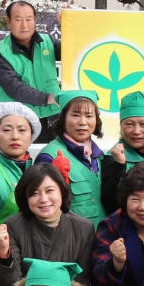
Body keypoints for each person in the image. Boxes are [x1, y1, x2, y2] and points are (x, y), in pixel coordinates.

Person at [0, 161, 96, 286]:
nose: (43, 199)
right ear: (25, 197)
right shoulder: (13, 225)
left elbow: (82, 282)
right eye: (34, 193)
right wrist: (5, 252)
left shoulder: (84, 228)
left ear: (62, 191)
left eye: (49, 191)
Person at [36, 89, 107, 226]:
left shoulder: (100, 156)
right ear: (62, 119)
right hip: (72, 242)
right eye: (75, 115)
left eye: (89, 116)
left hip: (103, 241)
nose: (82, 122)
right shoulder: (48, 156)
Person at [101, 91, 144, 217]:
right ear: (121, 127)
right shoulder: (112, 157)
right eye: (129, 124)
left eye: (143, 124)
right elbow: (110, 204)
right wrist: (119, 165)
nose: (136, 131)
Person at [0, 0, 60, 121]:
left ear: (35, 20)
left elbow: (75, 53)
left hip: (54, 115)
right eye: (18, 20)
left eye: (29, 19)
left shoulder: (49, 41)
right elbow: (13, 86)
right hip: (19, 119)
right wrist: (47, 98)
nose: (24, 25)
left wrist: (69, 24)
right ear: (8, 21)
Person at [0, 101, 40, 225]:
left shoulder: (39, 170)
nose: (15, 136)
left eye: (22, 130)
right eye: (7, 130)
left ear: (32, 135)